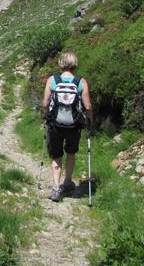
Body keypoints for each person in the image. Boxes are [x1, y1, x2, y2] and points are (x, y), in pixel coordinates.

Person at [42, 51, 93, 202]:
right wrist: (90, 121)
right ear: (75, 64)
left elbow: (45, 103)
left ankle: (56, 187)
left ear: (61, 63)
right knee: (71, 152)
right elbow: (88, 106)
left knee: (56, 155)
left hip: (55, 124)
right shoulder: (80, 82)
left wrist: (47, 116)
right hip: (73, 125)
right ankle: (67, 182)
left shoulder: (53, 80)